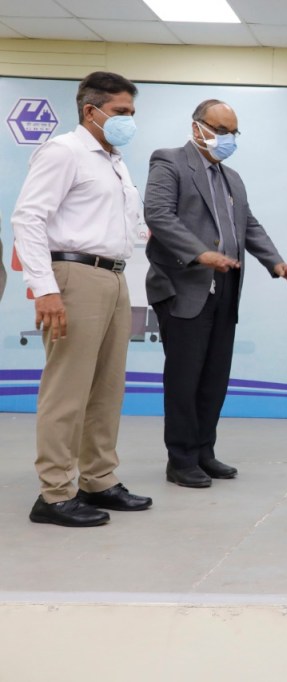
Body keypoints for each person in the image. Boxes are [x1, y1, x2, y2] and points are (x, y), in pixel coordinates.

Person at [12, 71, 152, 527]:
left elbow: (122, 224)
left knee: (108, 389)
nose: (128, 121)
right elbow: (29, 219)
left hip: (113, 276)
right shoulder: (64, 152)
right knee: (67, 390)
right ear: (91, 111)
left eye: (131, 112)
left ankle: (98, 479)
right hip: (73, 275)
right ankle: (54, 493)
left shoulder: (114, 161)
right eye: (120, 112)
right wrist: (46, 288)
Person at [145, 99, 287, 489]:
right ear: (197, 127)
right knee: (185, 376)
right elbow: (159, 215)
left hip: (226, 287)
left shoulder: (232, 178)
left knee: (214, 376)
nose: (228, 138)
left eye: (233, 132)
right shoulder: (168, 162)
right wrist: (199, 253)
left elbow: (248, 225)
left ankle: (202, 451)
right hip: (184, 286)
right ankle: (179, 459)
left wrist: (274, 261)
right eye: (221, 129)